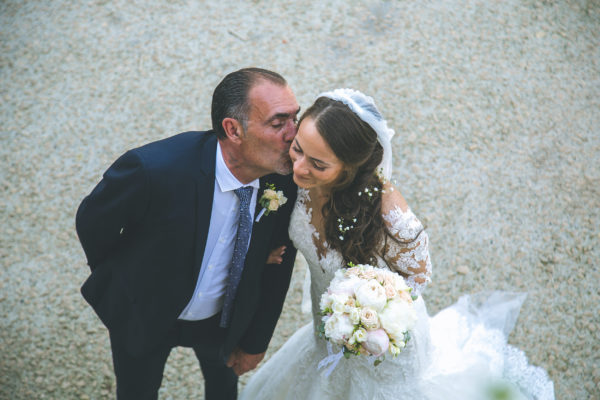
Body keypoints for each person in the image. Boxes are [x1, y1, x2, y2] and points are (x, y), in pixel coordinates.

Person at [241, 89, 555, 399]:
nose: (298, 168)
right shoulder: (291, 180)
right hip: (326, 325)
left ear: (350, 168)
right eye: (297, 149)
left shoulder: (385, 210)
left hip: (383, 342)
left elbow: (417, 277)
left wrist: (371, 313)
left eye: (319, 164)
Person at [75, 67, 301, 400]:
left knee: (223, 390)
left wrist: (255, 341)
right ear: (233, 130)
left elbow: (279, 264)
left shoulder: (285, 180)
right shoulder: (154, 170)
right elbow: (92, 221)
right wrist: (122, 283)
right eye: (278, 123)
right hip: (147, 314)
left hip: (223, 321)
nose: (295, 135)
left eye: (296, 118)